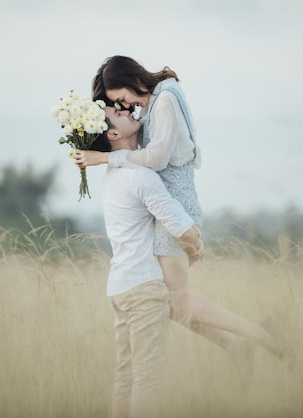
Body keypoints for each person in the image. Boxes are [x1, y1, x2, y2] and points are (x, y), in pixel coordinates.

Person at [77, 56, 296, 379]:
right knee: (169, 304)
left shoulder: (165, 100)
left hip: (175, 210)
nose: (124, 105)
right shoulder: (155, 102)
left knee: (176, 303)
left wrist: (107, 158)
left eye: (120, 97)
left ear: (130, 78)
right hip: (168, 212)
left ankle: (260, 335)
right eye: (116, 105)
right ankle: (238, 346)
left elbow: (157, 156)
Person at [96, 105, 204, 418]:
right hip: (143, 288)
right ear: (113, 134)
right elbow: (178, 223)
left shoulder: (112, 174)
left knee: (126, 377)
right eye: (117, 114)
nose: (126, 110)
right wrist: (196, 248)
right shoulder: (140, 175)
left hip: (119, 287)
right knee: (148, 381)